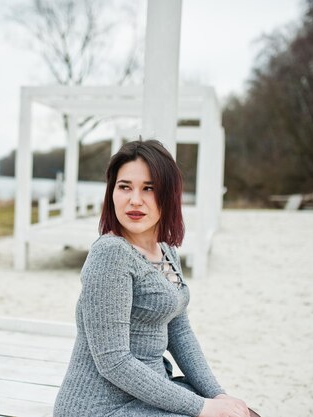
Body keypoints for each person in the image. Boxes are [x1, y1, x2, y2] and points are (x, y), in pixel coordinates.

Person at [53, 139, 256, 417]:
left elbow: (179, 330)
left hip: (151, 393)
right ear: (112, 192)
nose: (135, 200)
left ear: (169, 195)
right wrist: (203, 407)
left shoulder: (166, 250)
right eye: (125, 187)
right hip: (102, 407)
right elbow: (113, 361)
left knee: (244, 414)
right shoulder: (111, 254)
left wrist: (217, 394)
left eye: (149, 188)